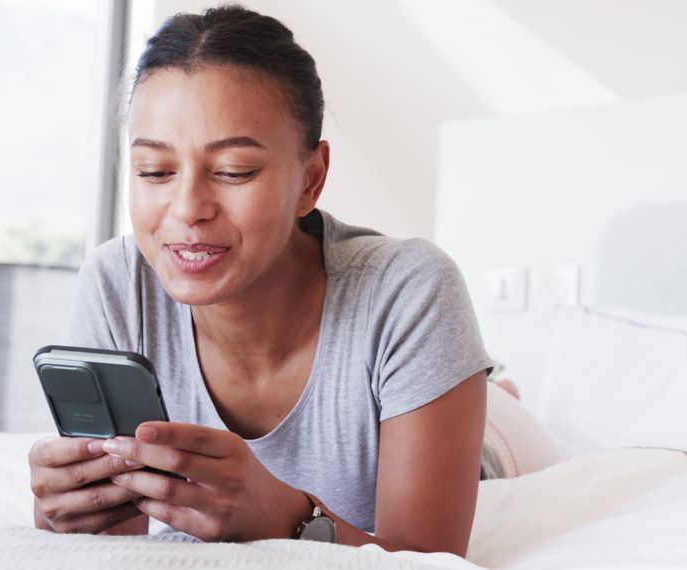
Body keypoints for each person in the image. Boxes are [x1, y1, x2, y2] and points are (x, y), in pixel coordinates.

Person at [27, 5, 493, 556]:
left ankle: (501, 394)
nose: (188, 209)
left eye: (233, 172)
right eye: (154, 171)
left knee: (503, 415)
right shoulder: (119, 283)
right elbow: (118, 544)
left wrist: (287, 518)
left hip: (495, 442)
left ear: (311, 180)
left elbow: (427, 563)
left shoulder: (408, 290)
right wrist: (69, 510)